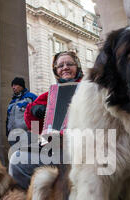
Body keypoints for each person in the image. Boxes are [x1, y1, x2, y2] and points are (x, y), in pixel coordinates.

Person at [9, 51, 84, 189]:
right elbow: (33, 125)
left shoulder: (90, 89)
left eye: (69, 64)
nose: (65, 67)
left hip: (83, 149)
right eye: (60, 65)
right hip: (54, 148)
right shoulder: (50, 95)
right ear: (56, 70)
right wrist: (33, 111)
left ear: (77, 67)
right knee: (17, 160)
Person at [6, 77, 37, 146]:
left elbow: (36, 116)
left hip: (27, 133)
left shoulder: (31, 97)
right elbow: (8, 119)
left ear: (21, 86)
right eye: (12, 86)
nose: (13, 87)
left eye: (15, 85)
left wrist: (35, 134)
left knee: (27, 155)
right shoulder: (12, 102)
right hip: (13, 135)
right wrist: (7, 133)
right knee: (15, 156)